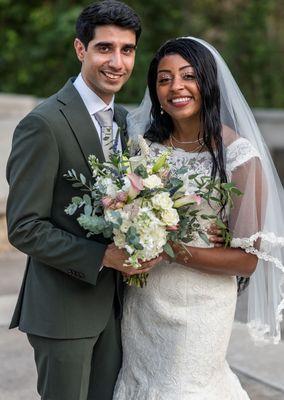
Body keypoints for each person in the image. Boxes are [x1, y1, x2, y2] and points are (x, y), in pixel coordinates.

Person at [6, 2, 163, 400]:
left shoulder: (127, 123)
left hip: (116, 311)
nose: (117, 61)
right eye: (104, 48)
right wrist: (102, 257)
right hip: (63, 313)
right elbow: (24, 227)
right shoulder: (43, 124)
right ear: (81, 49)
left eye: (127, 50)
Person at [113, 37, 284, 399]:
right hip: (144, 301)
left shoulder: (238, 157)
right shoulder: (144, 147)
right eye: (164, 78)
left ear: (206, 81)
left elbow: (248, 260)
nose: (176, 86)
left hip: (201, 306)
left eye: (187, 76)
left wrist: (170, 249)